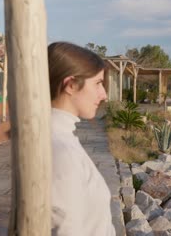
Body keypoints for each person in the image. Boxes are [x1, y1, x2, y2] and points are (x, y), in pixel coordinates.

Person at [48, 42, 115, 236]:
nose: (103, 95)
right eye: (97, 83)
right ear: (70, 85)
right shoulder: (60, 151)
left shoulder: (60, 139)